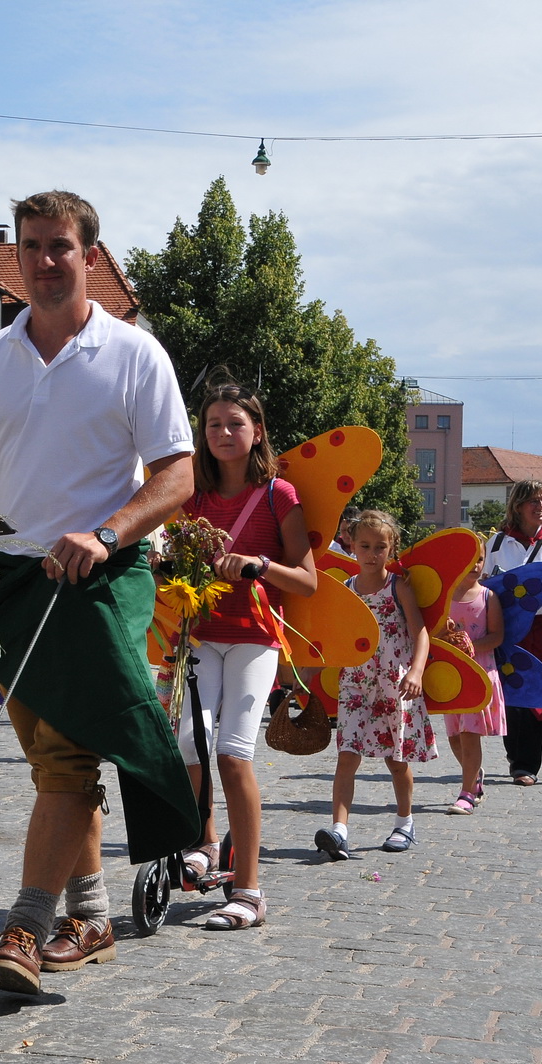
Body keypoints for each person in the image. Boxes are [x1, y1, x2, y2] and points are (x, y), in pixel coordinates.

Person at [0, 190, 198, 993]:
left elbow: (177, 475)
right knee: (58, 749)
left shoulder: (134, 353)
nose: (46, 261)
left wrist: (109, 533)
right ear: (16, 257)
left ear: (89, 256)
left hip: (103, 572)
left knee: (62, 756)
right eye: (32, 247)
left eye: (61, 246)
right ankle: (89, 916)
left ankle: (24, 927)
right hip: (14, 578)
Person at [175, 377, 317, 930]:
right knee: (190, 740)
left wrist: (259, 564)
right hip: (201, 631)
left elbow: (307, 581)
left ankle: (250, 891)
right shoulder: (195, 496)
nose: (224, 432)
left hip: (256, 635)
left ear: (257, 431)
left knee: (234, 754)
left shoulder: (279, 495)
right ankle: (208, 846)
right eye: (214, 424)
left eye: (236, 423)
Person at [315, 510, 436, 857]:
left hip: (394, 684)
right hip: (356, 683)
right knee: (346, 755)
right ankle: (339, 830)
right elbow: (333, 637)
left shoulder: (398, 586)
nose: (371, 554)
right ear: (351, 546)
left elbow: (420, 633)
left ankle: (404, 822)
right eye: (365, 546)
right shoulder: (346, 590)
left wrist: (416, 671)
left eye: (380, 547)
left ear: (392, 548)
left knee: (396, 761)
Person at [481, 480, 542, 785]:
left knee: (540, 693)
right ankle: (518, 760)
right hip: (511, 628)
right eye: (534, 502)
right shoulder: (497, 543)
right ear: (518, 506)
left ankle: (527, 764)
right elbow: (483, 587)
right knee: (513, 693)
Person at [441, 548, 504, 815]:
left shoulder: (488, 597)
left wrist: (471, 646)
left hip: (478, 674)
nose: (475, 565)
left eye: (479, 559)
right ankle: (475, 776)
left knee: (470, 735)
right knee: (454, 736)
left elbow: (497, 636)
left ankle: (466, 793)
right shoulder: (444, 597)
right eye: (469, 559)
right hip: (451, 676)